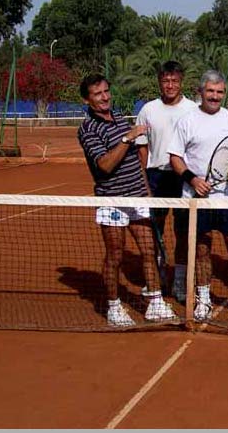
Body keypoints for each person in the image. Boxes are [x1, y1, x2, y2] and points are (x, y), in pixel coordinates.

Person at [76, 74, 177, 327]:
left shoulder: (119, 118)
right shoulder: (88, 129)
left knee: (148, 250)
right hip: (112, 201)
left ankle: (155, 303)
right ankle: (113, 307)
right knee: (115, 255)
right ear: (87, 100)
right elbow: (105, 165)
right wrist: (127, 138)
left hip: (138, 197)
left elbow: (134, 161)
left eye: (106, 91)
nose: (104, 97)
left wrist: (146, 189)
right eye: (98, 94)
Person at [167, 69, 228, 324]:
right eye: (210, 91)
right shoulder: (187, 121)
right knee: (201, 250)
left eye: (219, 92)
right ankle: (204, 300)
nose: (214, 96)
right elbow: (175, 158)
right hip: (197, 199)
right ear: (200, 92)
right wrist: (193, 180)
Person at [134, 61, 197, 303]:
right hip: (156, 177)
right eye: (165, 81)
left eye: (174, 81)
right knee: (154, 230)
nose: (170, 85)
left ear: (181, 82)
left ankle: (179, 281)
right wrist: (145, 182)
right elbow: (142, 148)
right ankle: (157, 276)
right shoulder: (148, 110)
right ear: (159, 83)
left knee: (183, 231)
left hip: (183, 178)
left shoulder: (193, 109)